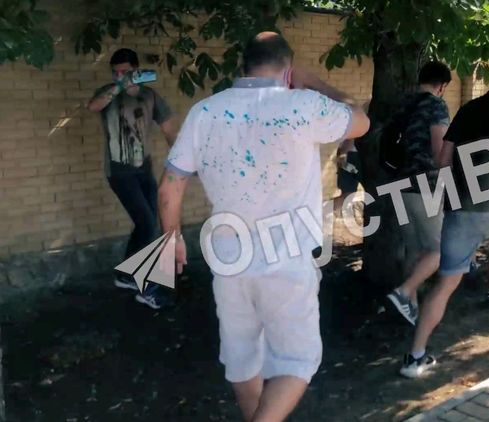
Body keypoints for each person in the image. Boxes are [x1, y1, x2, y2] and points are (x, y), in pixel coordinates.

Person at [158, 32, 369, 421]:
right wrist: (312, 81)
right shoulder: (304, 105)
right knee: (297, 361)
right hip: (286, 256)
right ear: (287, 70)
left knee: (241, 358)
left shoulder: (205, 112)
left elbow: (170, 184)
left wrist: (172, 240)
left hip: (229, 258)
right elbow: (361, 121)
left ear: (243, 66)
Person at [400, 70, 489, 378]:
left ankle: (415, 358)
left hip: (459, 208)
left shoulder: (469, 107)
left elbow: (442, 159)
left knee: (445, 284)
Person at [87, 48, 178, 309]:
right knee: (148, 224)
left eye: (125, 71)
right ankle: (148, 288)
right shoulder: (108, 93)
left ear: (136, 70)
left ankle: (125, 275)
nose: (120, 75)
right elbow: (93, 106)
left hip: (144, 170)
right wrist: (118, 86)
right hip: (119, 172)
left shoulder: (149, 96)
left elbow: (169, 129)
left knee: (147, 224)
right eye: (115, 72)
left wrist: (181, 161)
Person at [385, 61, 453, 325]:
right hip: (426, 186)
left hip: (398, 186)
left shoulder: (404, 104)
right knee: (440, 249)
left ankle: (409, 309)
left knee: (413, 249)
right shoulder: (436, 106)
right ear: (442, 85)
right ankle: (403, 292)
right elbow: (439, 150)